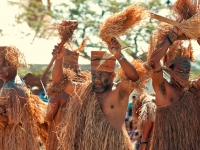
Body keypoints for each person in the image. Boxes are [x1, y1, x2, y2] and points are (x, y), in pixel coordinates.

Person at [51, 37, 150, 150]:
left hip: (114, 146)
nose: (96, 79)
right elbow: (59, 81)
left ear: (112, 76)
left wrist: (119, 55)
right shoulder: (83, 89)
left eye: (101, 75)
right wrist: (58, 60)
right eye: (94, 75)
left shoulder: (119, 91)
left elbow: (134, 78)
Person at [148, 21, 200, 149]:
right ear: (170, 70)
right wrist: (173, 35)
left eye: (187, 71)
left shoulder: (194, 89)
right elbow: (154, 61)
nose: (185, 75)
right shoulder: (164, 90)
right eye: (180, 71)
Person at [0, 46, 47, 150]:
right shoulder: (15, 83)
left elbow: (12, 118)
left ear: (14, 65)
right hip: (20, 139)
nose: (0, 69)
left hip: (13, 140)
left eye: (4, 65)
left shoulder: (11, 87)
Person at [45, 43, 90, 150]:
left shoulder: (60, 93)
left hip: (60, 139)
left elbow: (48, 116)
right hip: (80, 138)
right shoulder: (84, 89)